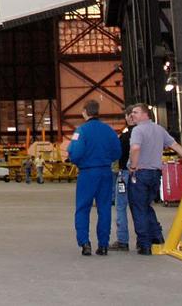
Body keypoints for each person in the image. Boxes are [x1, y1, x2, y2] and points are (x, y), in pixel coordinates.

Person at [127, 103, 182, 255]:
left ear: (145, 114)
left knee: (138, 209)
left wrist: (133, 166)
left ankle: (144, 244)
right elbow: (175, 146)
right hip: (155, 175)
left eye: (136, 112)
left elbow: (135, 148)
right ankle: (157, 237)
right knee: (146, 206)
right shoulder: (159, 129)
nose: (133, 115)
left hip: (140, 174)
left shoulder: (138, 130)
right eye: (132, 113)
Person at [67, 99, 121, 256]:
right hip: (105, 172)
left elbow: (75, 152)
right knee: (104, 208)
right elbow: (117, 152)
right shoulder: (109, 130)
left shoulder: (81, 131)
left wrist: (78, 161)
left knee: (83, 208)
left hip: (88, 173)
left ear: (85, 112)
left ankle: (85, 243)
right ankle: (103, 245)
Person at [111, 108, 135, 252]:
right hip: (142, 174)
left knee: (121, 207)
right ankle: (146, 240)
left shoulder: (125, 137)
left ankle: (122, 240)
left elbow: (116, 154)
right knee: (141, 207)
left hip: (125, 174)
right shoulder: (145, 133)